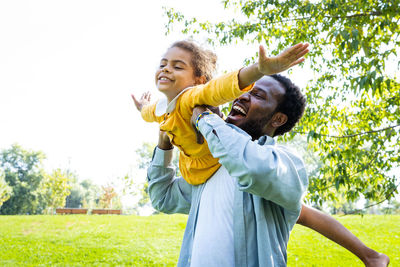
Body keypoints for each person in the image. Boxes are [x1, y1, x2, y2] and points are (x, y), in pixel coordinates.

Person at [146, 75, 389, 266]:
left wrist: (204, 118)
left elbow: (250, 167)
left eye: (258, 95)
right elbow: (162, 197)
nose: (241, 97)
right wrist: (165, 141)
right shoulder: (209, 167)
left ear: (278, 119)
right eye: (243, 91)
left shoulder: (284, 163)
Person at [132, 39, 309, 185]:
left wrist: (258, 70)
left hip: (211, 160)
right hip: (189, 166)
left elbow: (220, 88)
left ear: (198, 81)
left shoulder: (192, 96)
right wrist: (142, 107)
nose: (166, 69)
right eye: (162, 64)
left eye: (177, 67)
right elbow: (147, 113)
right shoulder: (161, 107)